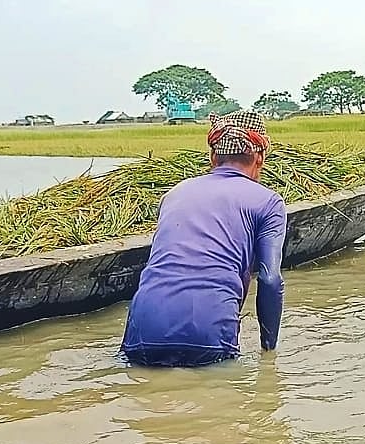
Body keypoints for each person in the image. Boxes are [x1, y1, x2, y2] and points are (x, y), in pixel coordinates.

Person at [120, 110, 286, 367]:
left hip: (142, 331)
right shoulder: (268, 201)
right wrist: (268, 353)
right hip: (208, 334)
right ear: (260, 157)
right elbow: (270, 278)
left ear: (212, 156)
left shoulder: (174, 194)